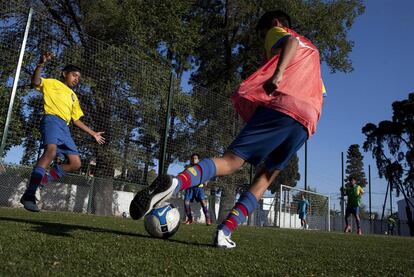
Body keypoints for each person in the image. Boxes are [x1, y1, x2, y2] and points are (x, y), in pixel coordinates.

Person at [130, 10, 325, 248]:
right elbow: (321, 91)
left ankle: (176, 183)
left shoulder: (282, 32)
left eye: (263, 36)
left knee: (231, 161)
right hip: (307, 120)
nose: (265, 43)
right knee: (265, 178)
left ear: (274, 25)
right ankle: (225, 232)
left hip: (284, 105)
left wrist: (278, 73)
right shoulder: (313, 52)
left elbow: (291, 42)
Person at [20, 52, 105, 212]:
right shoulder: (52, 83)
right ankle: (29, 194)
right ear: (65, 74)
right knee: (50, 152)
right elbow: (36, 81)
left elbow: (76, 120)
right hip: (52, 120)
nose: (76, 79)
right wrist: (40, 64)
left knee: (76, 163)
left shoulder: (74, 96)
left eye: (78, 77)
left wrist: (93, 133)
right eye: (74, 75)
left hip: (65, 128)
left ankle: (43, 180)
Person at [182, 153, 212, 225]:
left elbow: (206, 175)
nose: (194, 160)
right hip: (189, 188)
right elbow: (184, 176)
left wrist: (206, 181)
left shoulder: (201, 167)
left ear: (198, 160)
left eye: (195, 158)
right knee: (186, 202)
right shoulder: (188, 168)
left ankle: (208, 219)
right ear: (190, 160)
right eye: (192, 158)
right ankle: (189, 219)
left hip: (199, 188)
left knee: (203, 202)